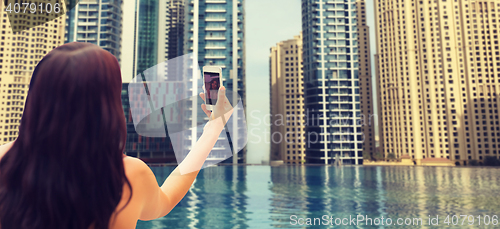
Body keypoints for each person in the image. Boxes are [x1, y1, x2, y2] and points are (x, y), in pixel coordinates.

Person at [0, 42, 233, 229]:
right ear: (107, 106)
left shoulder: (4, 160)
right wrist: (213, 129)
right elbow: (166, 199)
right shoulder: (128, 175)